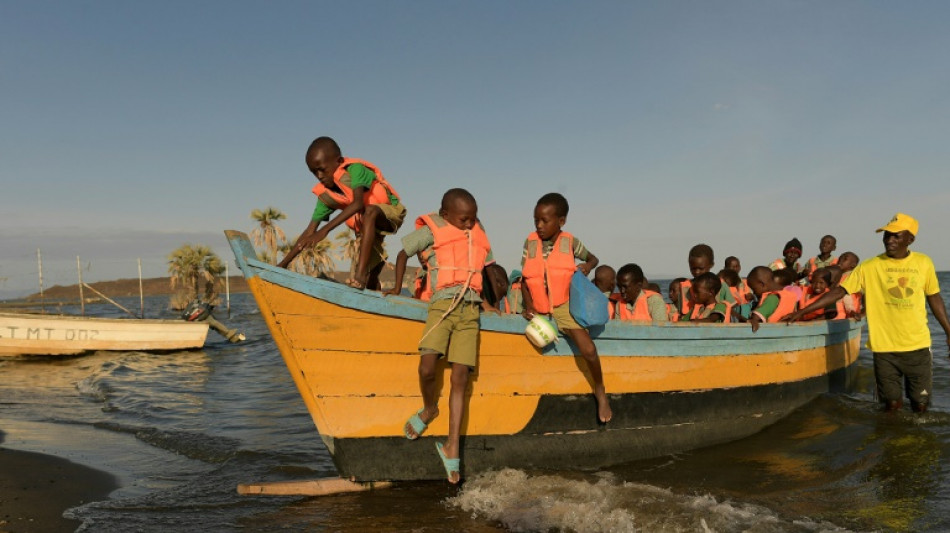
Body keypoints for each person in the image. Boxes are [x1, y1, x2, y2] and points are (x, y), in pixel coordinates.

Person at [383, 188, 498, 483]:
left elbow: (479, 269)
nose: (469, 224)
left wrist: (486, 303)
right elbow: (402, 253)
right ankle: (429, 408)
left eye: (473, 219)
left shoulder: (476, 233)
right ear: (446, 215)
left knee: (460, 378)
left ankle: (452, 447)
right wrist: (396, 287)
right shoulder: (433, 229)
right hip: (441, 308)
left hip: (469, 311)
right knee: (427, 367)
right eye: (463, 219)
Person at [784, 213, 950, 413]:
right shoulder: (870, 266)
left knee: (921, 406)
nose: (889, 240)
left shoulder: (924, 263)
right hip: (884, 349)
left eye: (896, 236)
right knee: (891, 405)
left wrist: (948, 332)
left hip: (918, 347)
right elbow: (840, 291)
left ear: (910, 239)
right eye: (887, 235)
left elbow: (934, 298)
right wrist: (803, 311)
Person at [520, 192, 612, 423]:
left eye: (545, 220)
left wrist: (587, 266)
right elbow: (525, 279)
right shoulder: (530, 243)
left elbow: (593, 258)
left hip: (564, 306)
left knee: (588, 350)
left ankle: (600, 390)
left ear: (561, 221)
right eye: (536, 220)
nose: (539, 226)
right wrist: (528, 305)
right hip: (539, 307)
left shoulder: (571, 242)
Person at [279, 136, 407, 290]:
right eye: (314, 172)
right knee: (371, 277)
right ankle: (371, 287)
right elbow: (309, 232)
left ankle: (359, 277)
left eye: (322, 169)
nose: (319, 176)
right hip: (368, 228)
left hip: (390, 213)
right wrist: (283, 264)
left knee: (370, 211)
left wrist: (324, 231)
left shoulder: (355, 169)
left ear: (338, 161)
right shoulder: (326, 195)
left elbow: (358, 203)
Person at [677, 244, 736, 318]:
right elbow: (681, 311)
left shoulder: (721, 285)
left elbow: (731, 308)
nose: (697, 272)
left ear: (711, 265)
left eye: (701, 268)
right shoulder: (685, 288)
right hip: (690, 323)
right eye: (693, 269)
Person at [747, 266, 799, 332]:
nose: (754, 293)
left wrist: (753, 319)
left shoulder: (772, 298)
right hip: (786, 331)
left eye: (754, 289)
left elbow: (757, 316)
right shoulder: (787, 295)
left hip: (772, 331)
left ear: (762, 284)